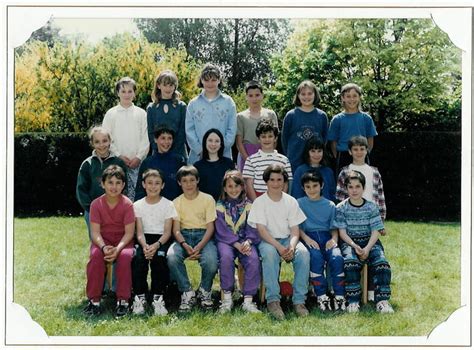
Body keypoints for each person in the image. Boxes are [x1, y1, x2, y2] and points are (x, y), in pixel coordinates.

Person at [248, 164, 310, 320]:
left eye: (279, 180)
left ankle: (299, 301)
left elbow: (295, 229)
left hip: (288, 239)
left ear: (284, 182)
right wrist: (280, 248)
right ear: (266, 182)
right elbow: (261, 231)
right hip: (268, 240)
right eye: (272, 180)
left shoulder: (290, 201)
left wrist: (291, 246)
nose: (276, 183)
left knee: (303, 254)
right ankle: (273, 300)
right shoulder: (260, 202)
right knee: (269, 254)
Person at [334, 170, 393, 314]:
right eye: (350, 187)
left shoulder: (372, 206)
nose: (354, 190)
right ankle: (353, 301)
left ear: (363, 188)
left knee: (382, 264)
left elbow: (376, 230)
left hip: (370, 241)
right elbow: (342, 232)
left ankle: (382, 301)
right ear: (346, 188)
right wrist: (354, 246)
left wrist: (366, 248)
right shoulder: (341, 207)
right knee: (350, 263)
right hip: (350, 242)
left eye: (357, 186)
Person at [83, 165, 135, 318]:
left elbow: (129, 233)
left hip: (123, 242)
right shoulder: (96, 204)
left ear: (123, 185)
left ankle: (123, 300)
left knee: (125, 257)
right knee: (95, 257)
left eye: (118, 183)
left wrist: (118, 249)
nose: (114, 187)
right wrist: (104, 247)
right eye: (110, 182)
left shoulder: (127, 204)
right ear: (103, 184)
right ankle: (94, 300)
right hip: (103, 242)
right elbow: (95, 232)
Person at [166, 165, 218, 312]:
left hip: (204, 237)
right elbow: (175, 229)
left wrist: (200, 246)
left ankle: (204, 290)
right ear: (179, 183)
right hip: (183, 236)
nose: (189, 184)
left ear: (198, 181)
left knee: (211, 261)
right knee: (171, 257)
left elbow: (210, 228)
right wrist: (184, 244)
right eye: (185, 181)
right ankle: (187, 291)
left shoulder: (208, 199)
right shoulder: (176, 202)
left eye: (192, 180)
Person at [131, 169, 177, 316]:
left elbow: (167, 232)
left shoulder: (168, 205)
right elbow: (139, 232)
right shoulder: (137, 205)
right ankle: (140, 296)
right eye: (149, 183)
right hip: (143, 239)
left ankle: (158, 296)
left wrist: (156, 245)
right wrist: (145, 246)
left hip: (161, 239)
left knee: (160, 259)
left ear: (162, 185)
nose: (153, 186)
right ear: (144, 184)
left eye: (157, 183)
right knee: (138, 259)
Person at [297, 171, 345, 311]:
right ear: (303, 188)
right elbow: (296, 227)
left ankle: (339, 295)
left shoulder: (330, 205)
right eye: (308, 187)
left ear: (322, 185)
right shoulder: (299, 203)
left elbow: (333, 227)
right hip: (309, 236)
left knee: (336, 257)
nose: (312, 190)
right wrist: (306, 238)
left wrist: (334, 239)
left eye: (315, 186)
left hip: (327, 237)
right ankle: (321, 295)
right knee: (316, 257)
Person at [214, 170, 262, 314]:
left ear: (242, 187)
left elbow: (253, 226)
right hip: (226, 241)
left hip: (246, 240)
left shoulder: (249, 205)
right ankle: (227, 298)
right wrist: (235, 243)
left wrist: (248, 241)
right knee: (226, 257)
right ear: (224, 188)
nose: (233, 190)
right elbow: (220, 229)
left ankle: (248, 300)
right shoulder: (220, 206)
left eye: (236, 186)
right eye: (230, 186)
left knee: (253, 259)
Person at [102, 76, 149, 201]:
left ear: (134, 93)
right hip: (117, 162)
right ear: (118, 93)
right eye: (123, 91)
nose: (126, 94)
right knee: (118, 196)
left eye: (130, 91)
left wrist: (139, 157)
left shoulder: (141, 113)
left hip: (137, 164)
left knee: (137, 197)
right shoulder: (111, 114)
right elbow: (106, 138)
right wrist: (118, 155)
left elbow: (146, 138)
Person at [76, 126, 127, 239]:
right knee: (97, 244)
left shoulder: (119, 163)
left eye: (104, 141)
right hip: (93, 212)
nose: (101, 145)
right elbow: (81, 190)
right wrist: (91, 209)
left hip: (116, 211)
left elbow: (125, 187)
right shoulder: (87, 164)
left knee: (115, 243)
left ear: (110, 141)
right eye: (97, 142)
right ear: (92, 144)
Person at [185, 63, 237, 165]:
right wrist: (199, 150)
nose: (210, 83)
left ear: (219, 80)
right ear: (201, 80)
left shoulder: (228, 102)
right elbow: (189, 130)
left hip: (223, 156)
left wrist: (220, 148)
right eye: (206, 80)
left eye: (213, 80)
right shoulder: (193, 104)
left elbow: (232, 128)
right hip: (198, 158)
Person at [327, 83, 378, 175]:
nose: (352, 99)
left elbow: (370, 139)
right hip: (343, 156)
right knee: (344, 185)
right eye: (348, 96)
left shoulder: (366, 118)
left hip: (361, 155)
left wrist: (365, 153)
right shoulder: (337, 119)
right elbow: (333, 142)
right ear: (343, 98)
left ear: (359, 97)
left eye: (355, 96)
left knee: (363, 183)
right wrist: (337, 156)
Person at [335, 136, 386, 223]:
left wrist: (381, 218)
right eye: (355, 149)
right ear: (350, 152)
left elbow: (380, 197)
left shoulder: (374, 172)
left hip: (371, 217)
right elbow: (340, 197)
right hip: (350, 218)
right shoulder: (345, 172)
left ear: (367, 150)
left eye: (362, 149)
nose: (359, 152)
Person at [281, 80, 328, 172]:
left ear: (315, 95)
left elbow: (324, 139)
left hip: (315, 162)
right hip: (294, 162)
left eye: (310, 93)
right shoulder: (291, 115)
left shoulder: (322, 116)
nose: (306, 97)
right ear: (298, 96)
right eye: (303, 94)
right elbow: (284, 139)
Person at [242, 118, 292, 201]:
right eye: (263, 136)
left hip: (278, 199)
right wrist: (257, 203)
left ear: (275, 138)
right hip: (258, 199)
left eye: (270, 136)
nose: (267, 139)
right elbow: (249, 184)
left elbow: (286, 183)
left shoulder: (284, 160)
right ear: (258, 139)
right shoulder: (251, 160)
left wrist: (280, 200)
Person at [235, 80, 279, 172]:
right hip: (247, 155)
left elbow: (275, 138)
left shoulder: (270, 114)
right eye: (251, 96)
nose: (254, 99)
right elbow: (239, 142)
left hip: (267, 152)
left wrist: (268, 155)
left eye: (257, 95)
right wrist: (248, 160)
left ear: (262, 95)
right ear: (246, 97)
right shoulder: (240, 116)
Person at [134, 125, 185, 201]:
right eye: (163, 138)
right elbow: (140, 190)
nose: (166, 142)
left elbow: (183, 187)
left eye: (169, 138)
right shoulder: (147, 163)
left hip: (174, 206)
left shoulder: (179, 161)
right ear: (155, 139)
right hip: (151, 207)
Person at [146, 70, 188, 161]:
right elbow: (150, 133)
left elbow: (183, 132)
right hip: (158, 155)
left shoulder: (181, 107)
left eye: (171, 85)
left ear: (175, 87)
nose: (168, 89)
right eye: (165, 85)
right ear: (158, 85)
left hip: (178, 154)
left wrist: (174, 153)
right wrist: (159, 150)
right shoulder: (151, 108)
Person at [194, 128, 235, 201]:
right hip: (204, 206)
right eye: (210, 140)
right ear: (205, 142)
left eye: (217, 141)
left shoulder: (229, 163)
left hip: (225, 206)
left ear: (221, 144)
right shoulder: (197, 166)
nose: (213, 144)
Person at [291, 136, 336, 202]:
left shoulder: (328, 171)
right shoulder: (300, 171)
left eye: (319, 151)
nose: (316, 154)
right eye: (313, 151)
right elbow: (296, 195)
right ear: (307, 152)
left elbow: (332, 195)